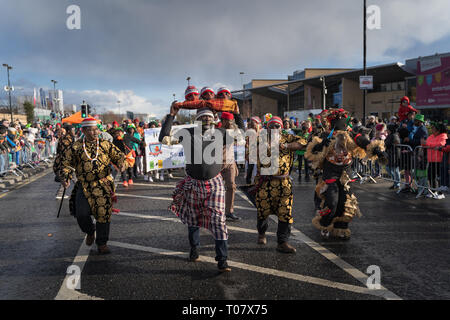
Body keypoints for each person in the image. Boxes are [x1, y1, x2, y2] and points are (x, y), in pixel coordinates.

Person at [159, 104, 242, 272]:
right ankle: (194, 249)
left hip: (214, 184)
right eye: (202, 117)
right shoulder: (188, 133)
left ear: (214, 120)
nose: (206, 119)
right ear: (196, 120)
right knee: (192, 220)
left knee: (219, 221)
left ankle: (222, 260)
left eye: (209, 117)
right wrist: (171, 116)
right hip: (193, 183)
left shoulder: (220, 134)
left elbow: (240, 137)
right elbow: (164, 139)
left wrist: (237, 115)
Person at [305, 108, 388, 240]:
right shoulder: (326, 136)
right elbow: (311, 150)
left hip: (346, 174)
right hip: (330, 174)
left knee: (346, 202)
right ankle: (325, 224)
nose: (340, 133)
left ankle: (341, 228)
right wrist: (321, 146)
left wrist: (377, 150)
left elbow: (363, 142)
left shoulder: (351, 136)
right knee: (332, 202)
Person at [59, 118, 127, 254]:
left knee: (103, 214)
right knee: (81, 214)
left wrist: (121, 163)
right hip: (84, 186)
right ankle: (90, 231)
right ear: (84, 131)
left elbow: (119, 156)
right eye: (91, 129)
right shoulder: (76, 147)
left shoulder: (105, 144)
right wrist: (65, 177)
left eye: (97, 129)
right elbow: (66, 164)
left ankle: (102, 243)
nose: (95, 132)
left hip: (103, 185)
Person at [254, 116, 307, 253]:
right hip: (266, 182)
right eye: (272, 126)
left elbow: (304, 142)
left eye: (277, 126)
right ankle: (261, 233)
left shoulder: (287, 138)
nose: (274, 129)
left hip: (284, 182)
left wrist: (286, 146)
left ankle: (282, 242)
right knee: (263, 211)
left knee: (286, 212)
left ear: (281, 127)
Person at [421, 122, 447, 199]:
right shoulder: (431, 136)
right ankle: (433, 191)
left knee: (439, 178)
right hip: (431, 159)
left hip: (440, 160)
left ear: (438, 130)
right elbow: (427, 144)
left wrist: (427, 143)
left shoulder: (443, 136)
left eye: (433, 128)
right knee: (430, 176)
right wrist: (423, 143)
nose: (431, 129)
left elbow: (440, 144)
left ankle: (441, 193)